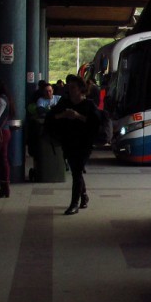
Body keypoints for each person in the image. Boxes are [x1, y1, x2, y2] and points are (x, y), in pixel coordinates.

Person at [45, 74, 101, 215]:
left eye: (73, 87)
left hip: (84, 143)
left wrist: (78, 116)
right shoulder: (64, 103)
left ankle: (74, 204)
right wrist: (63, 115)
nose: (70, 90)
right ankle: (83, 196)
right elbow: (51, 117)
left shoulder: (89, 104)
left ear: (81, 89)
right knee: (76, 170)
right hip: (68, 141)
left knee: (76, 171)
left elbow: (95, 123)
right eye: (69, 87)